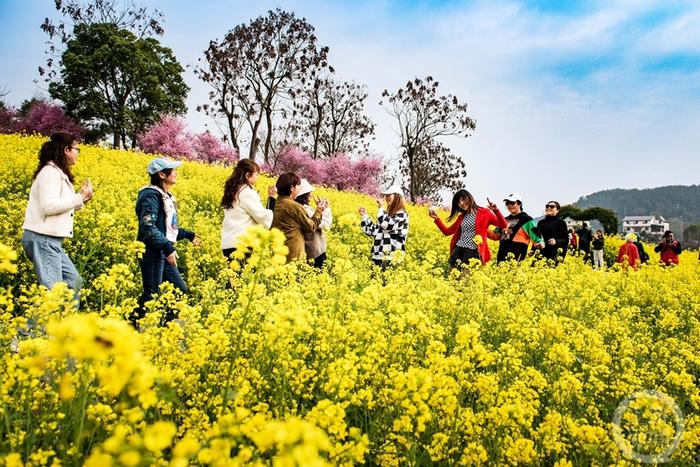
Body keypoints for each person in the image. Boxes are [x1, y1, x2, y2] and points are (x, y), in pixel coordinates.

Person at [22, 132, 93, 304]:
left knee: (74, 282)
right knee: (53, 293)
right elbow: (49, 206)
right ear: (66, 150)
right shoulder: (50, 173)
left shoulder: (57, 173)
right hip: (43, 238)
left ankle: (64, 327)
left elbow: (59, 206)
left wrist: (82, 199)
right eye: (77, 149)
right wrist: (79, 197)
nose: (78, 153)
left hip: (50, 240)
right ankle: (31, 331)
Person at [133, 158, 200, 326]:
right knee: (152, 294)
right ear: (162, 174)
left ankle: (166, 330)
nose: (176, 173)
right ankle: (129, 328)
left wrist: (188, 235)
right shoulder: (150, 195)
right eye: (173, 170)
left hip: (162, 250)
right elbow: (148, 226)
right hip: (151, 251)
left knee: (179, 289)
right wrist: (167, 247)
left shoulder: (165, 196)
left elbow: (168, 229)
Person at [428, 189, 507, 267]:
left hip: (472, 251)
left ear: (469, 197)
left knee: (465, 278)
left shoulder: (485, 213)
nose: (461, 203)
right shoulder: (461, 216)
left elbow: (503, 225)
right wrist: (436, 218)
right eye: (458, 202)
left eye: (463, 199)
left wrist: (496, 210)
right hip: (458, 250)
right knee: (454, 278)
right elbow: (447, 231)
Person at [221, 159, 276, 259]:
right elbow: (262, 216)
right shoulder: (246, 192)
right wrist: (271, 199)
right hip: (241, 245)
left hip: (228, 243)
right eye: (256, 174)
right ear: (247, 175)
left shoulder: (234, 190)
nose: (257, 177)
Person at [271, 172, 327, 263]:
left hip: (279, 251)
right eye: (297, 186)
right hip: (293, 253)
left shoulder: (278, 203)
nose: (298, 189)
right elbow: (311, 226)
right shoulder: (294, 206)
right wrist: (319, 211)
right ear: (292, 188)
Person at [359, 185, 409, 269]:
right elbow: (372, 231)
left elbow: (387, 226)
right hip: (377, 256)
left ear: (397, 197)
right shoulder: (385, 216)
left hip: (391, 257)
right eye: (386, 195)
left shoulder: (402, 214)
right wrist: (364, 216)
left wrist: (381, 208)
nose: (386, 197)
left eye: (390, 195)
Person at [495, 192, 543, 262]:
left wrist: (538, 246)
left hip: (517, 258)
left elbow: (537, 238)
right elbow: (495, 236)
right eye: (507, 203)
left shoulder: (527, 220)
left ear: (519, 203)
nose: (509, 205)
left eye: (512, 203)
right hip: (501, 257)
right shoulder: (505, 219)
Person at [295, 179, 332, 268]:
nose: (311, 194)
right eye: (309, 192)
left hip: (310, 250)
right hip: (315, 251)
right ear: (305, 194)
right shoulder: (306, 209)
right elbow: (325, 225)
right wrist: (326, 209)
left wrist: (319, 210)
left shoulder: (300, 207)